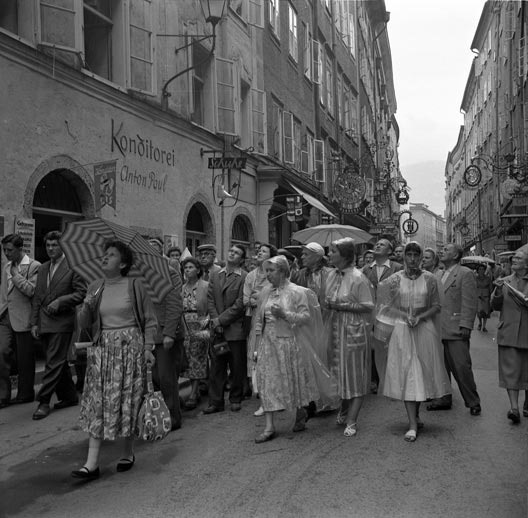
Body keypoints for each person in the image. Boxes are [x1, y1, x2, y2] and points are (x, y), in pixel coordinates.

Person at [72, 240, 157, 480]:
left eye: (111, 255)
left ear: (123, 263)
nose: (105, 258)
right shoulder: (95, 286)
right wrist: (86, 307)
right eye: (104, 254)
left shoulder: (135, 285)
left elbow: (150, 319)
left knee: (127, 400)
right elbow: (84, 324)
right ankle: (91, 463)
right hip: (103, 351)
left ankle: (128, 452)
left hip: (131, 350)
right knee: (98, 401)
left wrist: (149, 348)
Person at [376, 242, 451, 442]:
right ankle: (411, 423)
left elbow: (436, 306)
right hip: (402, 330)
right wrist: (404, 315)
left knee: (420, 373)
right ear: (403, 257)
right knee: (408, 372)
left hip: (424, 330)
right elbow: (387, 306)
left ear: (420, 257)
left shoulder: (430, 279)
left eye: (415, 255)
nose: (411, 258)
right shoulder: (394, 280)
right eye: (408, 254)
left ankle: (415, 416)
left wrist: (420, 316)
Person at [252, 255, 320, 443]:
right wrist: (256, 345)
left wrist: (285, 314)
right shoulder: (266, 292)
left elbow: (306, 317)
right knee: (267, 382)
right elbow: (260, 320)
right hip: (268, 343)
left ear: (282, 271)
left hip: (289, 342)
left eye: (271, 270)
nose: (268, 275)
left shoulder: (297, 292)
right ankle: (269, 427)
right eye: (266, 270)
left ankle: (300, 413)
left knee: (293, 380)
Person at [30, 231, 86, 420]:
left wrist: (61, 301)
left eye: (55, 245)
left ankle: (43, 401)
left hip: (62, 322)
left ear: (62, 247)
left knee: (52, 362)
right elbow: (37, 297)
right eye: (48, 245)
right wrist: (34, 323)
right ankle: (69, 396)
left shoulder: (73, 267)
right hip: (44, 321)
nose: (51, 249)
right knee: (58, 362)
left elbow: (81, 293)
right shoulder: (43, 268)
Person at [324, 238, 374, 437]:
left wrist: (343, 306)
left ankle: (352, 419)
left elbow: (369, 306)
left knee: (354, 375)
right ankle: (343, 409)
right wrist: (329, 304)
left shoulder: (358, 277)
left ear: (344, 255)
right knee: (338, 373)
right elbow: (328, 299)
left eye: (333, 251)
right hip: (335, 328)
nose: (329, 254)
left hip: (352, 329)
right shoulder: (331, 276)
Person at [427, 243, 481, 415]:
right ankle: (444, 398)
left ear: (456, 255)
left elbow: (470, 301)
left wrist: (466, 324)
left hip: (456, 328)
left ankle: (473, 401)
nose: (442, 251)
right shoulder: (439, 274)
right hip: (438, 328)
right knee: (441, 368)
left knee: (461, 367)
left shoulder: (465, 273)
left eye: (447, 250)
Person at [203, 244, 247, 414]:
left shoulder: (244, 277)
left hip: (235, 328)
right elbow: (210, 299)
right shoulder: (215, 275)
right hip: (217, 329)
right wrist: (215, 321)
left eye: (236, 252)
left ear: (241, 259)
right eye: (231, 251)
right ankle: (215, 401)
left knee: (236, 366)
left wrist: (221, 320)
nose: (232, 253)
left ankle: (236, 398)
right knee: (216, 366)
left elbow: (240, 304)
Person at [0, 234, 41, 408]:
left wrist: (16, 276)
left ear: (20, 248)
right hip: (5, 315)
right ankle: (3, 395)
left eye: (9, 250)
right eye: (4, 250)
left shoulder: (34, 266)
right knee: (1, 353)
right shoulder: (6, 266)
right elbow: (3, 292)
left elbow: (32, 291)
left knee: (25, 359)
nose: (6, 253)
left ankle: (25, 394)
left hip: (24, 317)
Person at [490, 250, 528, 424]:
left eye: (519, 258)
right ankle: (514, 408)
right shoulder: (505, 283)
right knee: (510, 372)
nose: (514, 260)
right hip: (509, 332)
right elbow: (495, 306)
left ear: (527, 264)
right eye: (514, 258)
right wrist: (497, 291)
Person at [361, 238, 402, 393]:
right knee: (372, 347)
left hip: (391, 314)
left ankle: (393, 380)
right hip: (371, 314)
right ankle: (374, 379)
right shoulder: (365, 269)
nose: (377, 245)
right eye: (377, 244)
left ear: (390, 251)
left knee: (392, 347)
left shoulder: (397, 268)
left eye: (382, 244)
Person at [244, 243, 277, 416]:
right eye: (258, 250)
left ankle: (274, 396)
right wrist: (254, 299)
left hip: (272, 322)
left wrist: (258, 298)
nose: (259, 252)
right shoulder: (250, 275)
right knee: (256, 357)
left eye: (263, 251)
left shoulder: (275, 274)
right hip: (256, 321)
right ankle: (263, 396)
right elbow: (247, 299)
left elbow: (275, 296)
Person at [152, 256, 184, 431]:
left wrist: (169, 333)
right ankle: (165, 409)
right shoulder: (135, 277)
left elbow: (175, 304)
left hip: (165, 333)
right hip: (148, 333)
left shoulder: (168, 273)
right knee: (154, 378)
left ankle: (173, 417)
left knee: (166, 377)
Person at [180, 257, 210, 410]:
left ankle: (193, 393)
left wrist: (208, 319)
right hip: (185, 325)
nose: (187, 270)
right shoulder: (182, 287)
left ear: (198, 270)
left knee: (198, 358)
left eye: (191, 267)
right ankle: (196, 389)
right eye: (185, 268)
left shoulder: (205, 286)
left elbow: (211, 303)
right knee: (189, 358)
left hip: (200, 323)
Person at [475, 264, 493, 332]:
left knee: (486, 311)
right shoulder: (475, 278)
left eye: (483, 269)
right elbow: (473, 286)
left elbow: (490, 287)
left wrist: (491, 295)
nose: (481, 271)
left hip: (486, 296)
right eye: (480, 269)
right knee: (479, 311)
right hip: (478, 295)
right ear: (477, 270)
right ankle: (480, 323)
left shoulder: (488, 278)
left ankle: (484, 326)